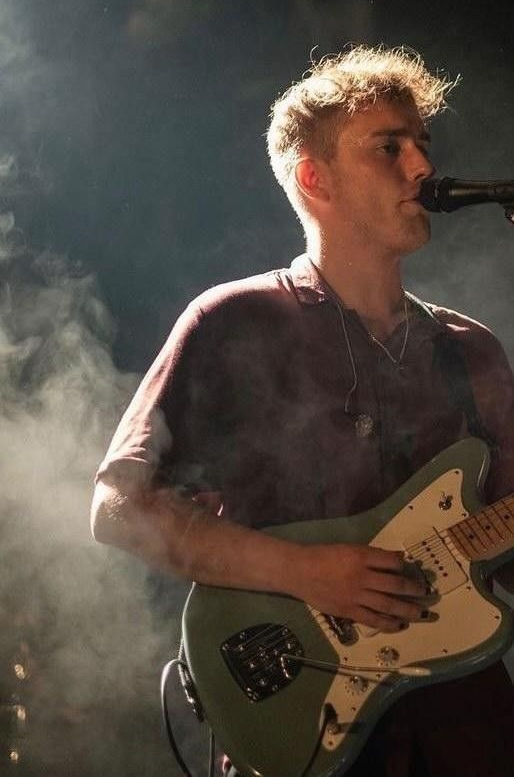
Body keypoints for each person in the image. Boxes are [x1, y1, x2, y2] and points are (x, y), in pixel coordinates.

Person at [91, 45, 514, 777]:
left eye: (422, 145)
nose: (421, 167)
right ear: (314, 177)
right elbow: (118, 507)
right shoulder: (233, 321)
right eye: (389, 147)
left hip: (466, 730)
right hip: (301, 719)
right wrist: (305, 572)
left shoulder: (470, 350)